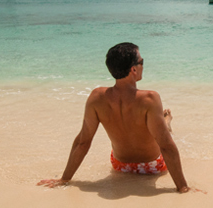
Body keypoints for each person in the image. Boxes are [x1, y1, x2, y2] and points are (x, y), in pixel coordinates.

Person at [38, 42, 196, 193]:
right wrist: (182, 187)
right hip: (153, 167)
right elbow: (166, 146)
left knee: (149, 129)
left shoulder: (97, 97)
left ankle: (164, 122)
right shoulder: (150, 98)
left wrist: (65, 179)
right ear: (133, 69)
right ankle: (165, 122)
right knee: (164, 134)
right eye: (142, 62)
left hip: (120, 165)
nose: (143, 65)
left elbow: (83, 142)